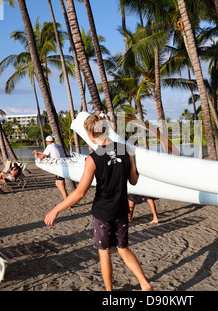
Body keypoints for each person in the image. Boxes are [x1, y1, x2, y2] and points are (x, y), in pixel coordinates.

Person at [44, 114, 152, 291]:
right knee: (123, 248)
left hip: (103, 212)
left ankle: (109, 292)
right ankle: (144, 283)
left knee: (104, 253)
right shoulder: (127, 150)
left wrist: (56, 209)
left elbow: (80, 192)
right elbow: (134, 181)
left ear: (90, 134)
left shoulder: (93, 159)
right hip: (121, 210)